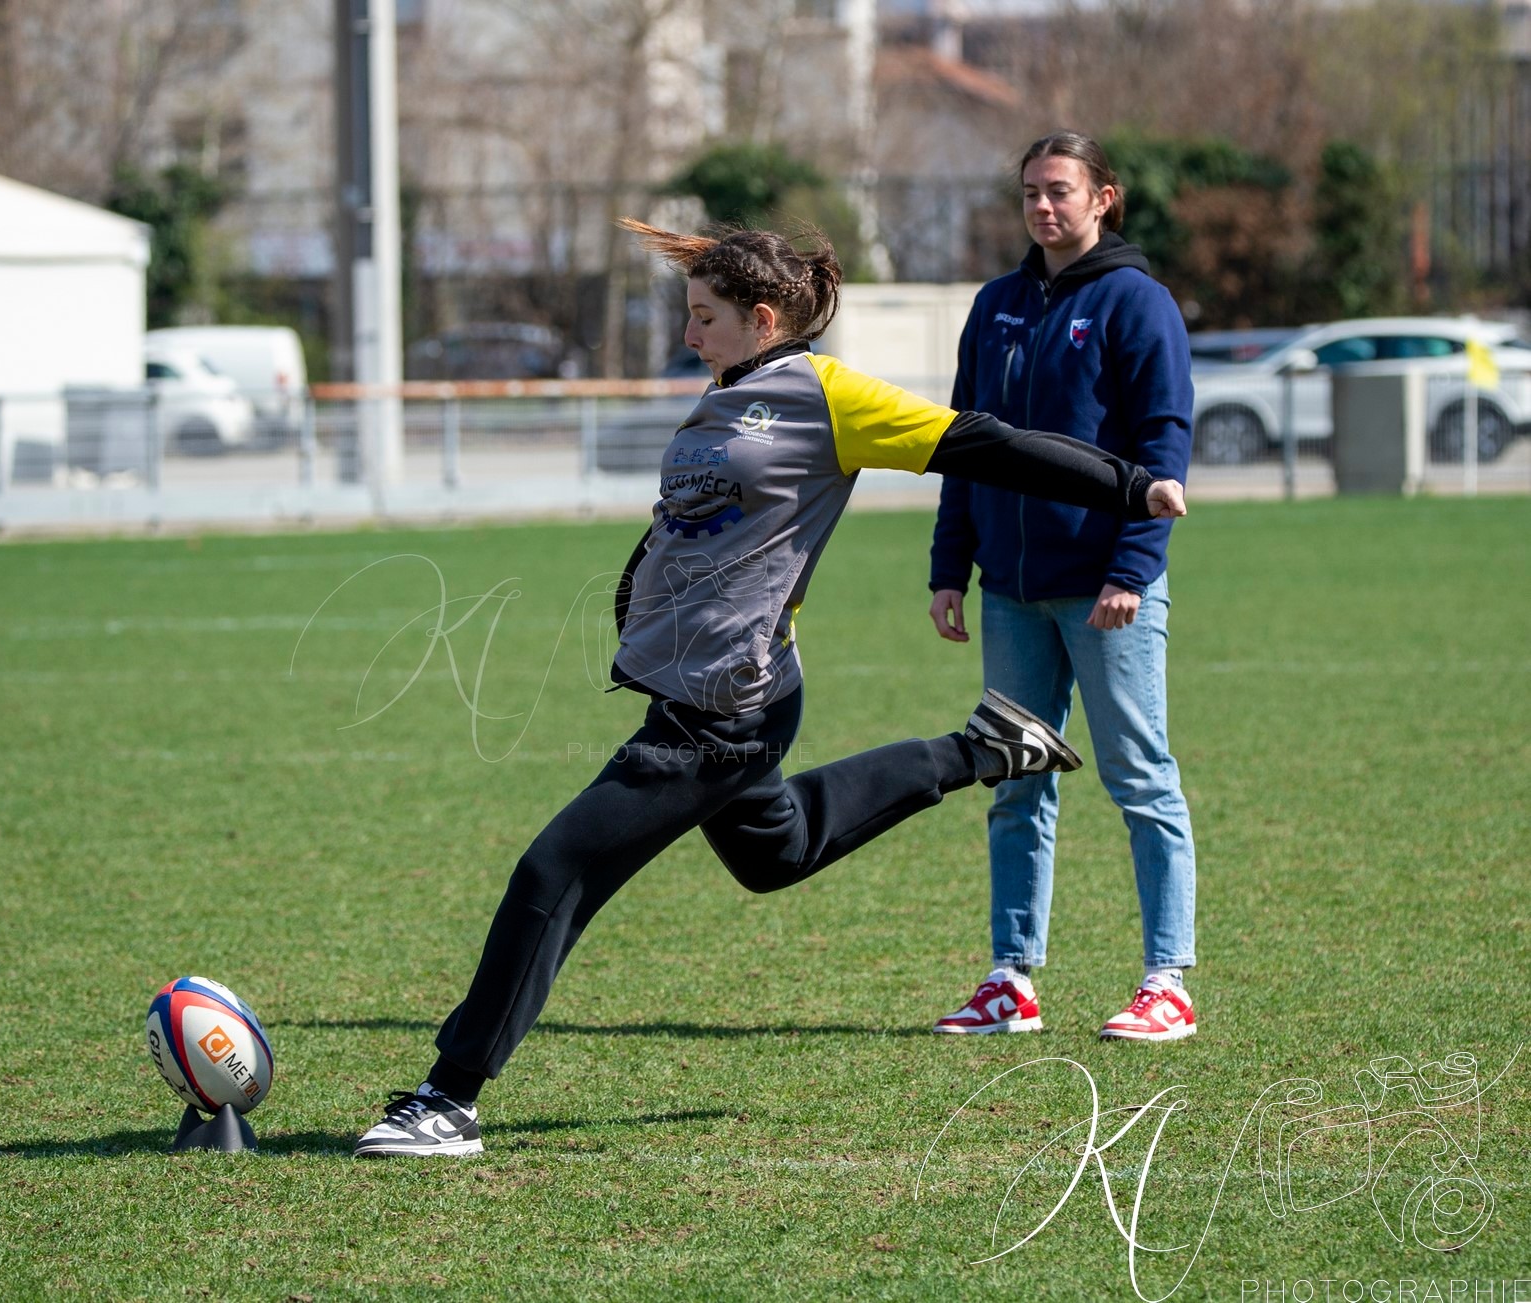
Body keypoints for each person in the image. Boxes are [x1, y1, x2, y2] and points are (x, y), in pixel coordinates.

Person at [353, 216, 1189, 1158]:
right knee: (777, 851)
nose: (687, 334)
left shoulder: (830, 396)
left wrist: (1128, 484)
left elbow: (980, 442)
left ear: (761, 317)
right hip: (711, 687)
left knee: (556, 870)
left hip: (725, 708)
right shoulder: (727, 391)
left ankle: (447, 1098)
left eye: (703, 316)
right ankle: (983, 748)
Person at [927, 131, 1199, 1042]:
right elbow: (962, 445)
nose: (1045, 207)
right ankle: (1011, 980)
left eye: (1061, 191)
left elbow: (1162, 450)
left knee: (1139, 777)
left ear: (1103, 198)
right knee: (1014, 781)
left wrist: (1131, 569)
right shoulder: (996, 305)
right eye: (1032, 193)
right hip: (1009, 589)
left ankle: (1168, 980)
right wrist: (949, 568)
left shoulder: (1138, 303)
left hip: (1104, 591)